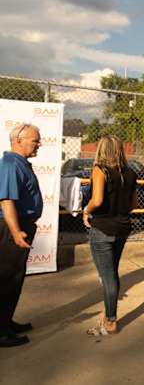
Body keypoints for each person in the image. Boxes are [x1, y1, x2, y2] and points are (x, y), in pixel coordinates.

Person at [82, 136, 138, 336]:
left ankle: (110, 321)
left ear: (102, 150)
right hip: (122, 228)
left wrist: (86, 211)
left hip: (103, 228)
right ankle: (108, 317)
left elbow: (96, 200)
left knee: (107, 277)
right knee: (112, 274)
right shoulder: (131, 173)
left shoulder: (100, 170)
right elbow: (133, 205)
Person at [0, 123, 42, 347]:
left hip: (20, 227)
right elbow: (7, 201)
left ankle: (6, 322)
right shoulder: (9, 163)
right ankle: (1, 331)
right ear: (19, 140)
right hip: (11, 229)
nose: (39, 144)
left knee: (15, 278)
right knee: (6, 279)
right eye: (35, 140)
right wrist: (16, 232)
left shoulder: (20, 163)